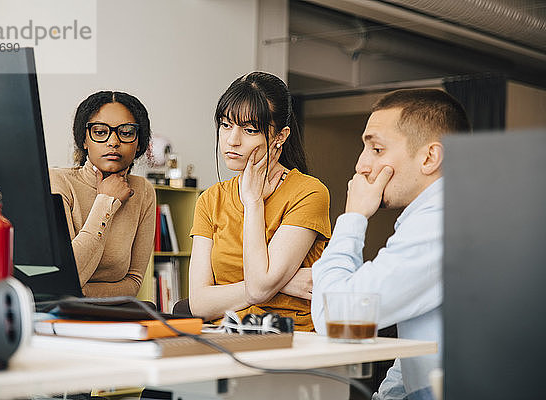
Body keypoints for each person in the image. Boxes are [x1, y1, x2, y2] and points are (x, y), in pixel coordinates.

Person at [311, 89, 470, 399]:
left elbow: (335, 319)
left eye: (378, 150)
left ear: (429, 157)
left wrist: (353, 217)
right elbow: (418, 341)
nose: (361, 166)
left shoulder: (441, 224)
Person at [189, 72, 331, 331]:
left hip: (293, 340)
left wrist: (253, 202)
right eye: (225, 125)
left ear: (280, 136)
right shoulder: (210, 200)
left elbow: (261, 287)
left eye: (250, 129)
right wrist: (284, 283)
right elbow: (198, 304)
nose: (232, 140)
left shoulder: (309, 193)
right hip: (224, 336)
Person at [50, 91, 156, 297]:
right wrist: (106, 201)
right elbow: (65, 277)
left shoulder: (143, 191)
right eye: (100, 132)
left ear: (139, 143)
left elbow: (133, 283)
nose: (113, 141)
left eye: (126, 132)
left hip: (114, 315)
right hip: (61, 315)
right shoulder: (58, 182)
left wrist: (79, 293)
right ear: (84, 140)